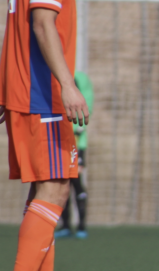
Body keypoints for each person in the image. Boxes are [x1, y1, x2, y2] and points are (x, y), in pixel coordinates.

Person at [0, 0, 122, 271]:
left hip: (28, 87)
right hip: (42, 92)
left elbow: (18, 26)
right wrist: (69, 85)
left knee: (47, 190)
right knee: (57, 187)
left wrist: (6, 84)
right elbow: (41, 23)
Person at [55, 71, 94, 239]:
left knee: (77, 182)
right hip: (59, 143)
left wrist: (77, 130)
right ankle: (65, 225)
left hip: (76, 144)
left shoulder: (79, 78)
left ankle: (82, 226)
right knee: (62, 185)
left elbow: (87, 104)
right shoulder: (55, 74)